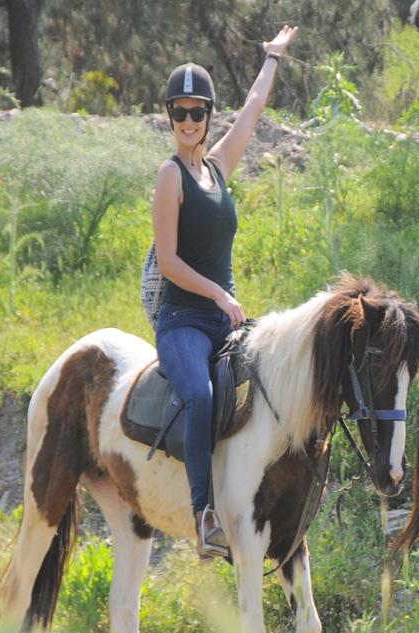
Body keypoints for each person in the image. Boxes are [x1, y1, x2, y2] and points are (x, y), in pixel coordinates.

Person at [152, 25, 298, 558]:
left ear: (209, 115)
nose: (189, 122)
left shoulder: (217, 167)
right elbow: (169, 262)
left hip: (224, 318)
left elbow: (254, 108)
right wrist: (218, 294)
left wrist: (272, 57)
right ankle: (204, 515)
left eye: (197, 112)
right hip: (184, 321)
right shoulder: (170, 177)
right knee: (201, 395)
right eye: (180, 112)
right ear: (170, 116)